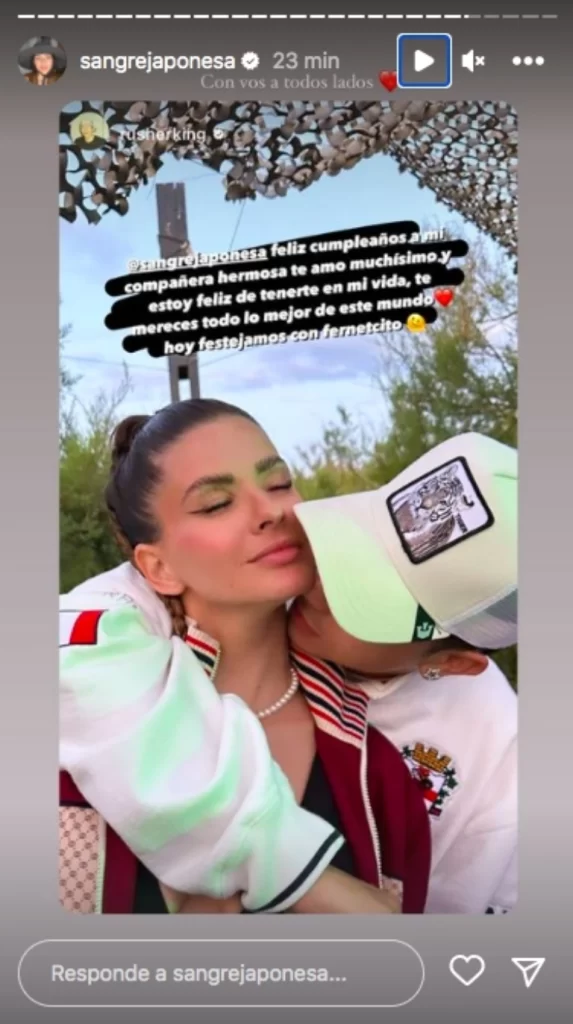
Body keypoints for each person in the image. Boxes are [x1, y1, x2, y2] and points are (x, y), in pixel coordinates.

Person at [60, 399, 430, 915]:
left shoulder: (380, 776)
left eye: (278, 484)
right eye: (216, 504)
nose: (271, 512)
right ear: (159, 567)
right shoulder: (67, 758)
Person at [288, 431, 517, 914]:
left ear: (450, 664)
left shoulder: (497, 761)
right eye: (347, 555)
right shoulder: (264, 605)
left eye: (364, 598)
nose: (318, 591)